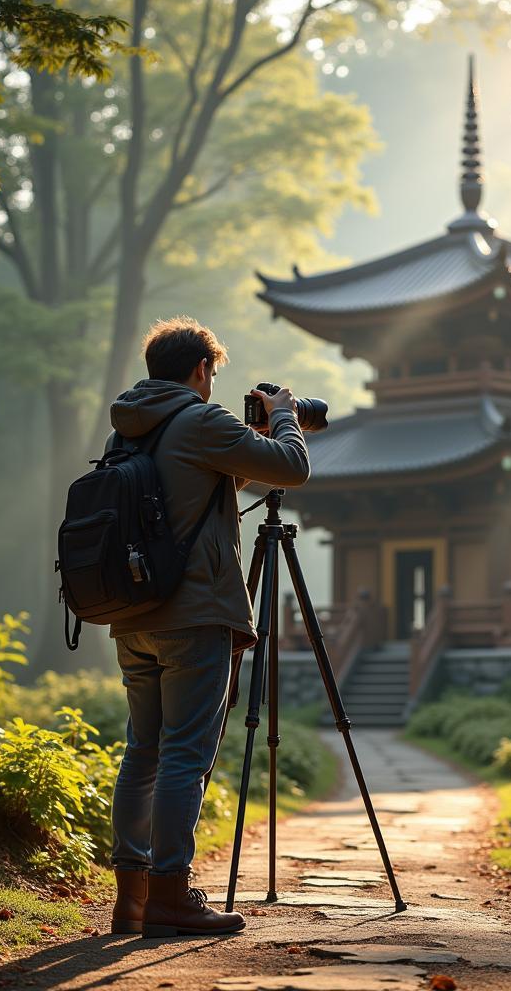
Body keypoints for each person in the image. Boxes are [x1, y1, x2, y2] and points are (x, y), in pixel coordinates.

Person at [105, 316, 309, 939]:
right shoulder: (198, 419)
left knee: (143, 752)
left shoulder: (131, 431)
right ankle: (171, 895)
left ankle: (132, 898)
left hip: (134, 617)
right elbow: (292, 468)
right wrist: (284, 416)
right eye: (213, 376)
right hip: (194, 617)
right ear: (200, 370)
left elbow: (216, 483)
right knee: (184, 757)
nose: (213, 386)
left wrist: (249, 435)